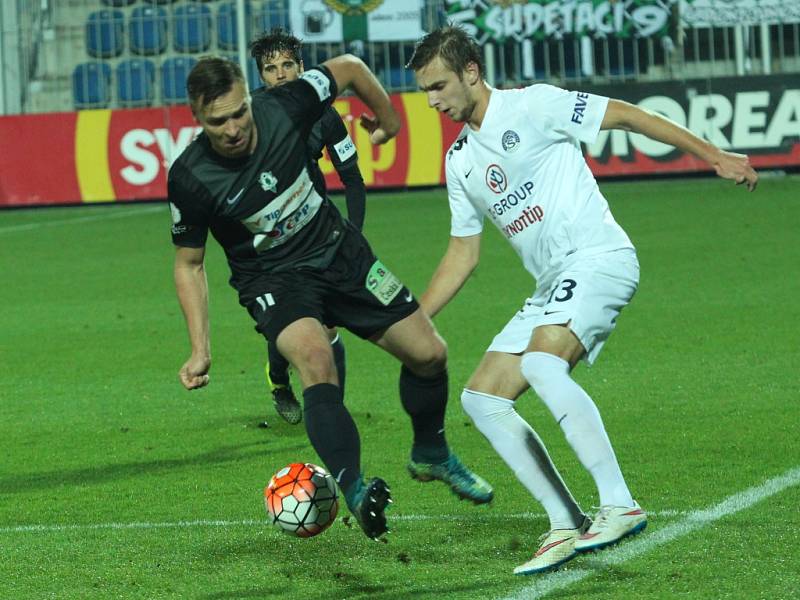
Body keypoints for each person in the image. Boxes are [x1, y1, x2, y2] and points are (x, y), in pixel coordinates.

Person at [407, 26, 757, 574]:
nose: (432, 101)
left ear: (471, 72)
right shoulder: (460, 162)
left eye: (438, 86)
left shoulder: (534, 106)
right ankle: (564, 523)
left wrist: (712, 155)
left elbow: (626, 114)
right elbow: (462, 253)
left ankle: (618, 503)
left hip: (598, 258)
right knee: (482, 398)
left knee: (543, 365)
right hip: (552, 285)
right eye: (425, 91)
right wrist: (414, 320)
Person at [168, 54, 493, 541]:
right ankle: (355, 488)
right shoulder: (191, 178)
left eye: (239, 113)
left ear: (249, 99)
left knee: (430, 354)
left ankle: (430, 451)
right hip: (276, 282)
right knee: (318, 360)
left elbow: (349, 67)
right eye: (218, 121)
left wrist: (389, 119)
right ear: (198, 118)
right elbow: (189, 264)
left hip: (341, 255)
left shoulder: (285, 104)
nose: (233, 127)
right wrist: (200, 348)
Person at [249, 29, 367, 428]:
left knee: (329, 321)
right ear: (261, 77)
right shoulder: (252, 116)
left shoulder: (326, 114)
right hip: (270, 238)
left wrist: (356, 232)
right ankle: (279, 380)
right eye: (270, 69)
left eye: (287, 66)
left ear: (302, 68)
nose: (280, 75)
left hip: (319, 231)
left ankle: (332, 407)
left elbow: (351, 177)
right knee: (286, 322)